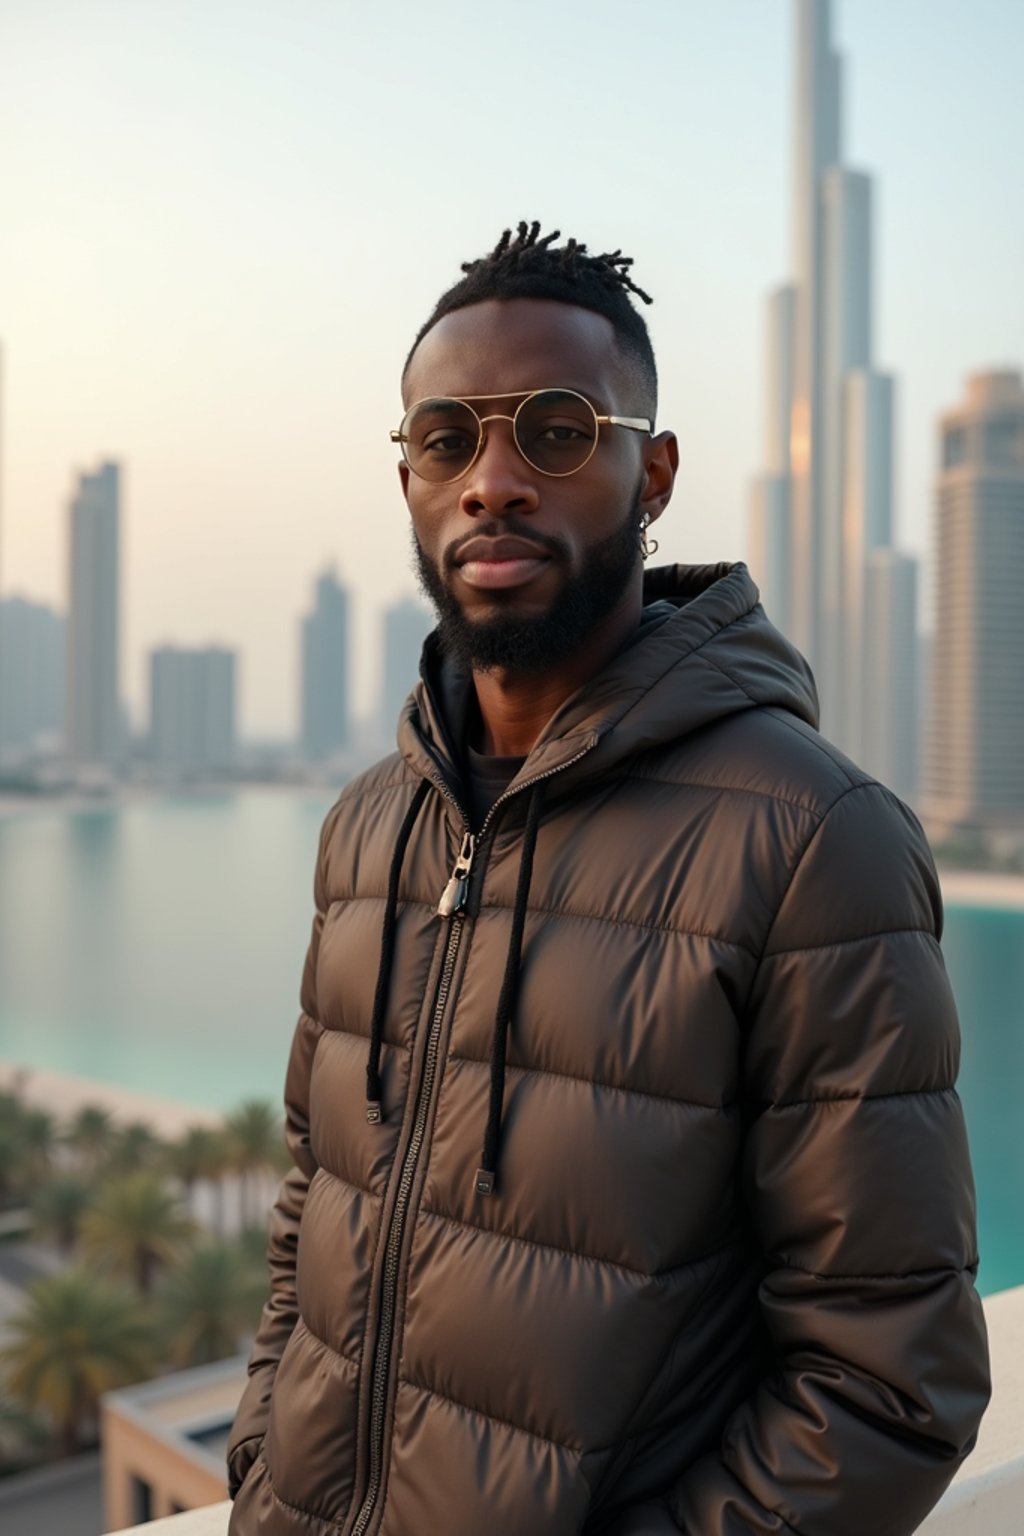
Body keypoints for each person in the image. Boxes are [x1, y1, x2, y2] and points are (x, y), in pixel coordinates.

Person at [227, 222, 990, 1536]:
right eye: (448, 438)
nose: (494, 481)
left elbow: (884, 1381)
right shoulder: (366, 831)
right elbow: (316, 1209)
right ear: (408, 474)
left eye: (559, 431)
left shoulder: (813, 836)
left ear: (655, 472)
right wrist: (261, 1472)